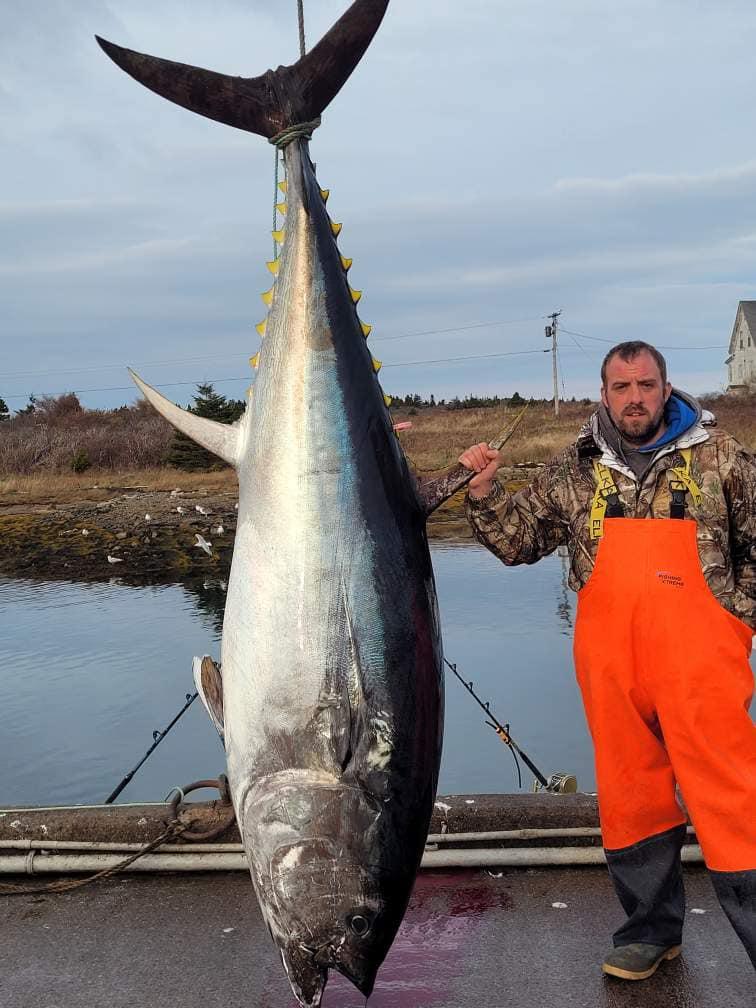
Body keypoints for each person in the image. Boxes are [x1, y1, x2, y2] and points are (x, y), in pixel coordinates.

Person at [459, 340, 756, 980]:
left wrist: (741, 611)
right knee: (630, 798)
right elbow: (519, 541)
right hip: (613, 669)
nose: (635, 399)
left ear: (666, 387)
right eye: (621, 388)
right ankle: (649, 932)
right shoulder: (576, 466)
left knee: (737, 801)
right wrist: (483, 492)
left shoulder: (720, 457)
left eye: (645, 385)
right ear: (603, 394)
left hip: (702, 665)